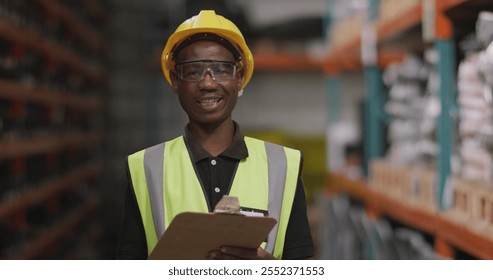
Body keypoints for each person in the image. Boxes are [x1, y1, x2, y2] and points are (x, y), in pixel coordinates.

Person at [117, 10, 314, 260]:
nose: (208, 83)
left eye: (221, 69)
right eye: (193, 71)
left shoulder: (283, 165)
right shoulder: (145, 167)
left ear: (239, 78)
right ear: (175, 81)